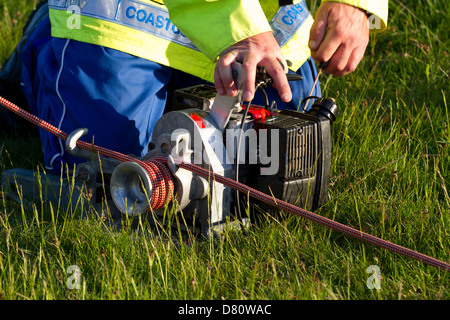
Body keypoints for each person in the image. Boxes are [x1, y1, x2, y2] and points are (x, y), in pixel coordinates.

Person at [3, 0, 388, 173]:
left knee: (281, 150)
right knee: (111, 172)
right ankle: (47, 42)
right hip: (127, 19)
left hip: (266, 20)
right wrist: (240, 28)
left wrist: (355, 2)